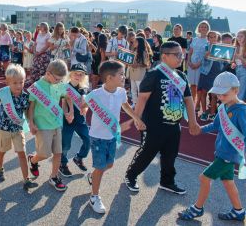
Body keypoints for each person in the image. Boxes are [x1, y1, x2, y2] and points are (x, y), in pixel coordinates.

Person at [125, 41, 200, 194]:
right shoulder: (154, 74)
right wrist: (137, 119)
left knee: (170, 155)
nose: (181, 57)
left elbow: (188, 100)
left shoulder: (182, 76)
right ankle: (131, 175)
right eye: (177, 55)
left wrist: (193, 122)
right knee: (147, 152)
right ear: (164, 56)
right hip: (153, 125)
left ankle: (167, 181)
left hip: (173, 125)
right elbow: (142, 98)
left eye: (182, 54)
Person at [179, 72, 246, 221]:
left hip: (228, 156)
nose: (221, 97)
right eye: (219, 94)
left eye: (224, 94)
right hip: (222, 152)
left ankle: (197, 208)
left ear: (236, 90)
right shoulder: (223, 107)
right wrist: (200, 129)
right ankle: (238, 211)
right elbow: (215, 124)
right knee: (228, 182)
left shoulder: (241, 111)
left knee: (204, 178)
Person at [84, 61, 146, 214]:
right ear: (110, 78)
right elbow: (83, 103)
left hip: (112, 135)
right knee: (100, 167)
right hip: (97, 137)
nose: (124, 77)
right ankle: (94, 196)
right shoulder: (96, 94)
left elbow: (125, 105)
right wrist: (79, 111)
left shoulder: (121, 92)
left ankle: (93, 177)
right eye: (121, 74)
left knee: (109, 164)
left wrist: (136, 118)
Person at [27, 59, 74, 191]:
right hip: (42, 125)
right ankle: (34, 160)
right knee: (44, 154)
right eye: (57, 79)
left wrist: (71, 111)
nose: (60, 82)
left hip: (57, 124)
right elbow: (31, 106)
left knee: (58, 153)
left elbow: (68, 97)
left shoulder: (60, 84)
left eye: (61, 79)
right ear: (48, 74)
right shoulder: (37, 86)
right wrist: (31, 122)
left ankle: (53, 177)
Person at [0, 64, 38, 190]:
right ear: (8, 82)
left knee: (22, 153)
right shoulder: (3, 94)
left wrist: (31, 123)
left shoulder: (25, 97)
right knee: (2, 151)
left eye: (21, 82)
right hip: (4, 129)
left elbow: (28, 112)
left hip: (18, 129)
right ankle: (0, 168)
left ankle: (26, 179)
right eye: (15, 83)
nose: (19, 85)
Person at [59, 63, 90, 177]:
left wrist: (85, 108)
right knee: (66, 144)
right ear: (70, 75)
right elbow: (64, 102)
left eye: (81, 74)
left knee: (87, 140)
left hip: (80, 120)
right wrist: (68, 114)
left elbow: (85, 102)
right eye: (76, 73)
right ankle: (62, 164)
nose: (78, 76)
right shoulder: (65, 87)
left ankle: (79, 157)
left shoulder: (84, 88)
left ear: (84, 76)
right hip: (68, 120)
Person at [198, 31, 223, 121]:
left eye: (214, 37)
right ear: (208, 38)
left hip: (216, 73)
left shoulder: (221, 47)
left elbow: (224, 61)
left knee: (214, 95)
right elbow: (202, 60)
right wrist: (205, 56)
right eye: (210, 37)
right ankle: (204, 113)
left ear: (217, 38)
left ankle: (212, 114)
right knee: (204, 93)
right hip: (206, 73)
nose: (212, 38)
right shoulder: (205, 47)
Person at [187, 21, 210, 110]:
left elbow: (206, 56)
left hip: (201, 65)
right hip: (191, 64)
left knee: (199, 86)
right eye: (201, 26)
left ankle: (197, 104)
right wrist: (189, 62)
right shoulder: (195, 39)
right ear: (199, 28)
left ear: (208, 29)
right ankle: (193, 102)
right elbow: (190, 52)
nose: (203, 28)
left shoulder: (208, 41)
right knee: (192, 85)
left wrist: (198, 64)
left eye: (205, 27)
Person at [128, 37, 151, 106]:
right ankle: (134, 103)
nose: (134, 43)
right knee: (133, 89)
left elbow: (146, 64)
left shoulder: (144, 52)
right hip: (133, 73)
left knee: (140, 90)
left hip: (140, 74)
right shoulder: (133, 51)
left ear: (140, 43)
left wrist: (136, 65)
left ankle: (142, 105)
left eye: (135, 42)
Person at [91, 23, 108, 89]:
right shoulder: (102, 47)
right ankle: (94, 93)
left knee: (94, 79)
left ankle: (93, 93)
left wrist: (100, 67)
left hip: (98, 65)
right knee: (95, 79)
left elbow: (103, 58)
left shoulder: (102, 48)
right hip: (98, 64)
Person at [234, 29, 246, 101]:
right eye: (238, 36)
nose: (239, 38)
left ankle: (237, 110)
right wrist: (233, 64)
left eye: (241, 36)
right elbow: (234, 62)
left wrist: (239, 57)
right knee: (237, 91)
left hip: (244, 72)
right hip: (237, 70)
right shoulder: (236, 47)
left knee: (240, 93)